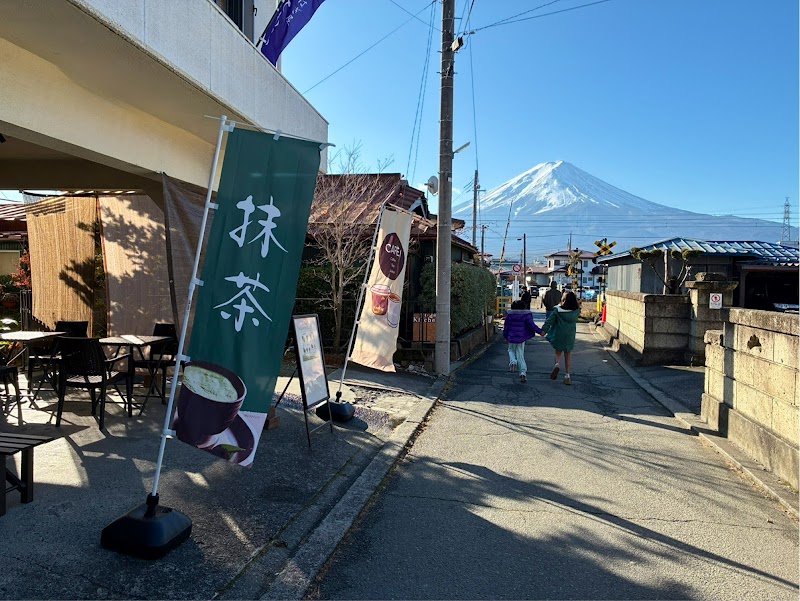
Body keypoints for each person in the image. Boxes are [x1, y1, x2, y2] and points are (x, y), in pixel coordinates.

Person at [541, 290, 581, 385]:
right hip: (570, 335)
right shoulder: (576, 311)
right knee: (568, 354)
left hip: (559, 333)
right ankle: (567, 376)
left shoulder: (558, 310)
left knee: (558, 352)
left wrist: (544, 330)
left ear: (564, 300)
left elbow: (549, 321)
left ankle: (557, 364)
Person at [503, 299, 544, 383]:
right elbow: (532, 325)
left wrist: (505, 337)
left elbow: (506, 327)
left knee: (510, 350)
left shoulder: (509, 315)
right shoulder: (526, 315)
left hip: (511, 337)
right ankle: (523, 373)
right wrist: (540, 332)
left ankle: (513, 362)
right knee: (520, 354)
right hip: (521, 338)